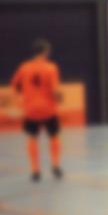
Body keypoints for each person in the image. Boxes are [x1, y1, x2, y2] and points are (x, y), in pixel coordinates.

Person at [11, 38, 63, 182]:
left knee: (32, 138)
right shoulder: (51, 67)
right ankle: (55, 165)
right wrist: (59, 98)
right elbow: (55, 90)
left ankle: (35, 171)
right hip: (49, 109)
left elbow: (15, 84)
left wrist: (23, 97)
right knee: (54, 136)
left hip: (31, 109)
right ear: (46, 51)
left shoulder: (24, 67)